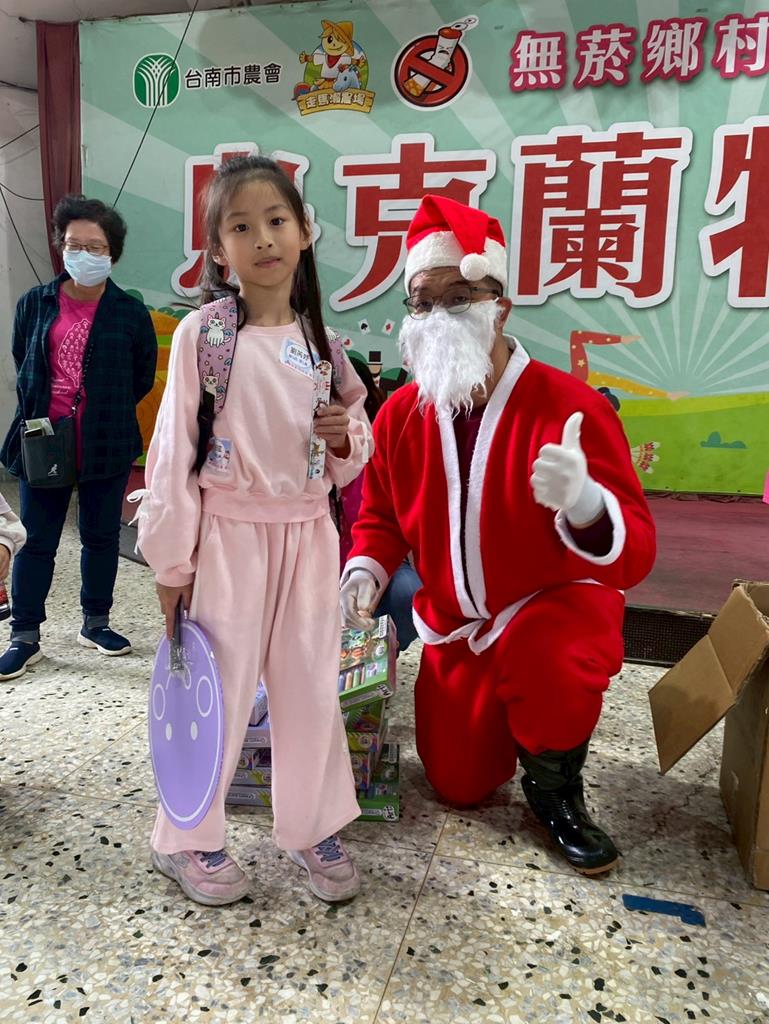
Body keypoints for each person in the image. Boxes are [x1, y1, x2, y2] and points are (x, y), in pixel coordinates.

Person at [340, 195, 656, 876]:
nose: (437, 316)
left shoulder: (569, 408)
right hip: (457, 622)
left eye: (459, 299)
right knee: (457, 783)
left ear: (500, 307)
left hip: (548, 610)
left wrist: (585, 503)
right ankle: (507, 725)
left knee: (554, 666)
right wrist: (366, 568)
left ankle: (555, 788)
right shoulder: (402, 415)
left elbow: (635, 555)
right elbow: (382, 516)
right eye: (423, 301)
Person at [136, 155, 372, 907]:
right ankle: (186, 837)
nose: (263, 238)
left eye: (277, 220)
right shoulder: (204, 336)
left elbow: (351, 440)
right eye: (241, 227)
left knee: (310, 688)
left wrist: (343, 437)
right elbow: (173, 453)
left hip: (307, 538)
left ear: (305, 232)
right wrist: (172, 566)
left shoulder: (322, 342)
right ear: (218, 250)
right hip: (229, 539)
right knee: (217, 691)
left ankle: (311, 825)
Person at [0, 196, 158, 681]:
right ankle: (25, 635)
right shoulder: (36, 302)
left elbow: (140, 377)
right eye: (74, 245)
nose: (83, 254)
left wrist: (99, 408)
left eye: (95, 246)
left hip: (106, 440)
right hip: (43, 441)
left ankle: (96, 623)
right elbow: (24, 360)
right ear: (61, 246)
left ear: (113, 253)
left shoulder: (130, 312)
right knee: (36, 540)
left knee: (101, 536)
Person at [333, 355, 421, 653]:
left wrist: (366, 570)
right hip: (315, 567)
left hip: (375, 568)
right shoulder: (304, 452)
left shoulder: (377, 446)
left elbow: (385, 523)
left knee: (407, 594)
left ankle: (380, 656)